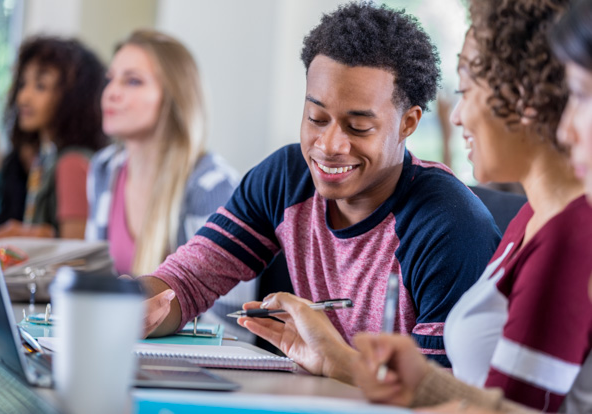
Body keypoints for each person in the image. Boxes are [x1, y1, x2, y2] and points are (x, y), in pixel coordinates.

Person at [139, 1, 501, 376]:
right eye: (316, 118)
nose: (328, 145)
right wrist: (130, 306)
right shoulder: (285, 178)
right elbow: (186, 282)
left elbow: (445, 393)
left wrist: (339, 363)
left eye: (358, 126)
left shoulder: (449, 227)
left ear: (408, 123)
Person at [348, 0, 592, 413]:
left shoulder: (569, 235)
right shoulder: (532, 217)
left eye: (464, 90)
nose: (457, 115)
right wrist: (423, 382)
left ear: (523, 96)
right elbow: (502, 404)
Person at [85, 30, 251, 339]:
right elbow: (99, 286)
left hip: (180, 364)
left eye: (132, 81)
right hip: (118, 345)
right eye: (111, 79)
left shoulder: (211, 185)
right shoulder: (104, 169)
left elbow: (232, 326)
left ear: (174, 96)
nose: (111, 93)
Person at [0, 36, 106, 239]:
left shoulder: (71, 162)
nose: (23, 97)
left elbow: (76, 250)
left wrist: (21, 234)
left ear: (73, 96)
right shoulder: (44, 159)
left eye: (40, 86)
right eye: (23, 84)